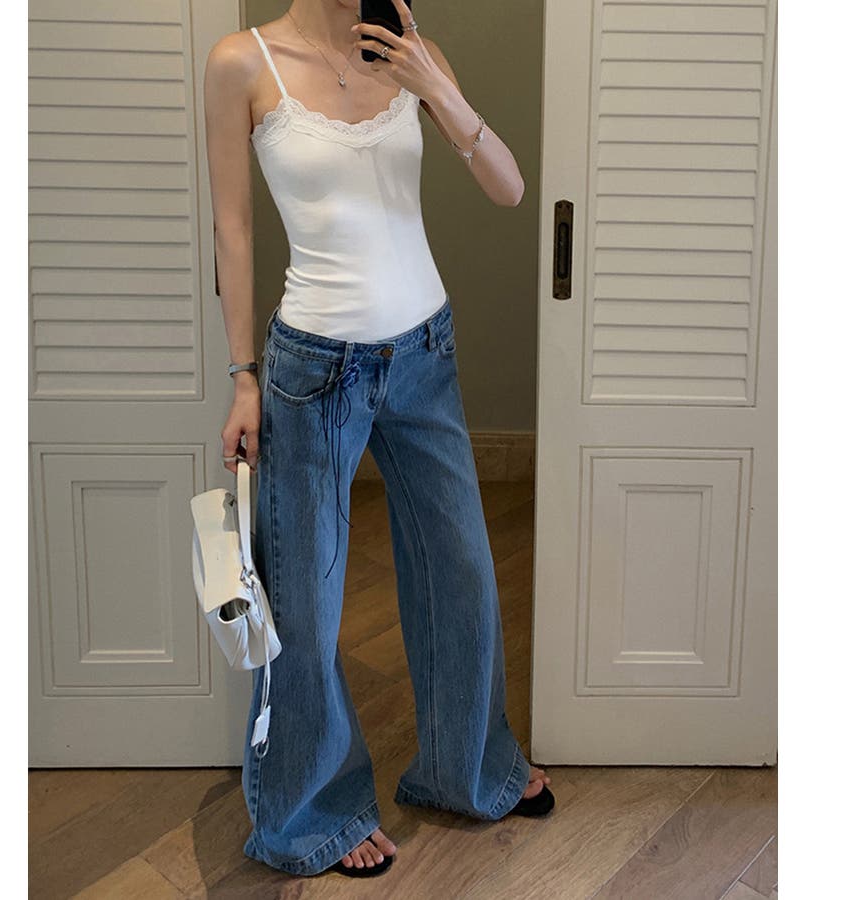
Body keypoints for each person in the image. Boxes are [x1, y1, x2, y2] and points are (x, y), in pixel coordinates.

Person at [203, 0, 554, 879]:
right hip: (313, 368)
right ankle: (311, 813)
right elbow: (233, 227)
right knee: (306, 602)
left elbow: (509, 187)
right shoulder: (243, 63)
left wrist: (436, 85)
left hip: (425, 352)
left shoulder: (410, 50)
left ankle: (466, 769)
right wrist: (243, 376)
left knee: (462, 570)